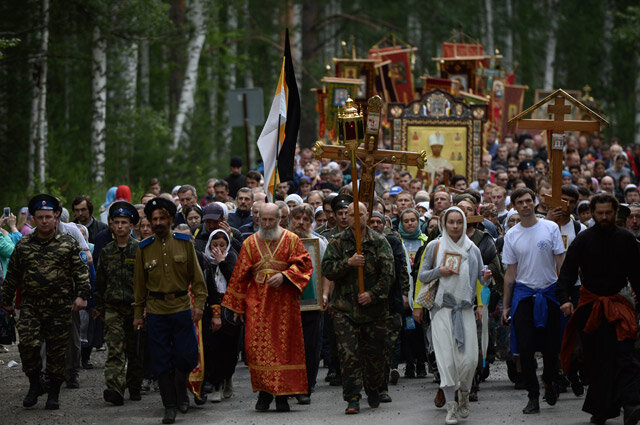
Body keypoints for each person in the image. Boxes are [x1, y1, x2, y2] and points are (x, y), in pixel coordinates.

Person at [0, 194, 90, 410]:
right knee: (28, 347)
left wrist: (82, 295)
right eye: (40, 217)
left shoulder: (68, 243)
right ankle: (35, 384)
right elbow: (12, 275)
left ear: (56, 216)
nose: (44, 221)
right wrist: (7, 300)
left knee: (57, 352)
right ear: (34, 218)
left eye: (48, 217)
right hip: (31, 306)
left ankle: (53, 393)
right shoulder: (24, 245)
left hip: (59, 307)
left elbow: (81, 272)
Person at [557, 193, 640, 425]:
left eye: (608, 213)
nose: (604, 217)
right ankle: (601, 410)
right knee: (597, 360)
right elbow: (567, 272)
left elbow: (636, 274)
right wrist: (564, 298)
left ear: (615, 213)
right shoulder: (583, 240)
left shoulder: (626, 239)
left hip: (618, 304)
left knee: (625, 354)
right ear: (593, 213)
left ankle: (631, 404)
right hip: (590, 306)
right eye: (600, 213)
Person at [221, 203, 313, 413]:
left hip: (284, 303)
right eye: (265, 220)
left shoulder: (291, 239)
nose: (269, 223)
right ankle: (264, 393)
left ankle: (282, 396)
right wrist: (237, 307)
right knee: (256, 349)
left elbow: (305, 266)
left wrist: (285, 276)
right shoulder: (250, 242)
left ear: (280, 219)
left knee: (284, 349)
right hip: (258, 302)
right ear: (259, 219)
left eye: (273, 220)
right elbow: (240, 275)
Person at [133, 197, 207, 424]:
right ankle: (170, 405)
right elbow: (139, 286)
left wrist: (199, 305)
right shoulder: (143, 249)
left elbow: (197, 278)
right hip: (156, 311)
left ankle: (181, 390)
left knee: (186, 356)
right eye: (153, 219)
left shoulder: (184, 243)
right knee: (161, 360)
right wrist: (138, 315)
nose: (157, 222)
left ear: (170, 219)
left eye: (161, 218)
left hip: (182, 307)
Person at [418, 207, 492, 424]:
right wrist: (438, 271)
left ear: (465, 223)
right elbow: (422, 275)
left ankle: (465, 396)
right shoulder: (435, 246)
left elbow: (481, 279)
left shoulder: (472, 249)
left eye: (459, 222)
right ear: (444, 223)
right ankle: (451, 407)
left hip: (465, 310)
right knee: (446, 362)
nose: (455, 226)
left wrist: (486, 277)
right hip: (441, 311)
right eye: (451, 222)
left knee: (469, 361)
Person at [322, 202, 394, 415]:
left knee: (375, 354)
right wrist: (348, 263)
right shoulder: (337, 242)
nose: (355, 218)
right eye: (351, 214)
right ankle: (352, 397)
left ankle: (373, 389)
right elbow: (327, 269)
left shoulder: (379, 241)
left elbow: (388, 275)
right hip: (345, 310)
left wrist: (372, 295)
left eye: (360, 214)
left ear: (366, 215)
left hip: (374, 310)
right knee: (348, 355)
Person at [501, 187, 565, 415]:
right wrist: (506, 305)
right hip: (524, 295)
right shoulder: (511, 235)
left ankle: (550, 381)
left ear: (535, 202)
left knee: (550, 348)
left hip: (549, 293)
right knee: (525, 349)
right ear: (515, 206)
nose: (525, 205)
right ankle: (533, 396)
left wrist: (564, 296)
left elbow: (560, 263)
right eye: (520, 202)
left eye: (529, 200)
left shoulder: (550, 228)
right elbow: (510, 273)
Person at [92, 201, 143, 406]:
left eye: (124, 222)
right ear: (111, 225)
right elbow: (100, 281)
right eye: (116, 222)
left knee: (134, 349)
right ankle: (115, 388)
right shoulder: (106, 251)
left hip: (135, 307)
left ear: (131, 226)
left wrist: (145, 307)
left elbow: (146, 281)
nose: (120, 226)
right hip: (113, 307)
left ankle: (135, 385)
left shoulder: (139, 249)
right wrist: (99, 306)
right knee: (115, 348)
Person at [368, 211, 409, 402]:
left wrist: (405, 294)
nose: (375, 225)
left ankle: (382, 386)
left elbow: (400, 270)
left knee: (386, 346)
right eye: (372, 222)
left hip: (390, 302)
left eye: (379, 222)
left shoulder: (393, 243)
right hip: (366, 303)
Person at [289, 204, 327, 405]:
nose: (301, 223)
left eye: (306, 219)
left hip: (312, 303)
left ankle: (306, 386)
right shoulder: (282, 241)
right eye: (297, 218)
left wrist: (325, 294)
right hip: (286, 303)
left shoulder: (318, 243)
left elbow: (326, 272)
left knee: (311, 345)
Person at [201, 229, 239, 403]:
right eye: (214, 245)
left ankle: (228, 377)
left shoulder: (231, 257)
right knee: (212, 346)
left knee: (229, 347)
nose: (218, 248)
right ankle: (216, 383)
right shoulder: (204, 260)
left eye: (222, 245)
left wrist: (222, 262)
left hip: (229, 306)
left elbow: (235, 280)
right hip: (211, 305)